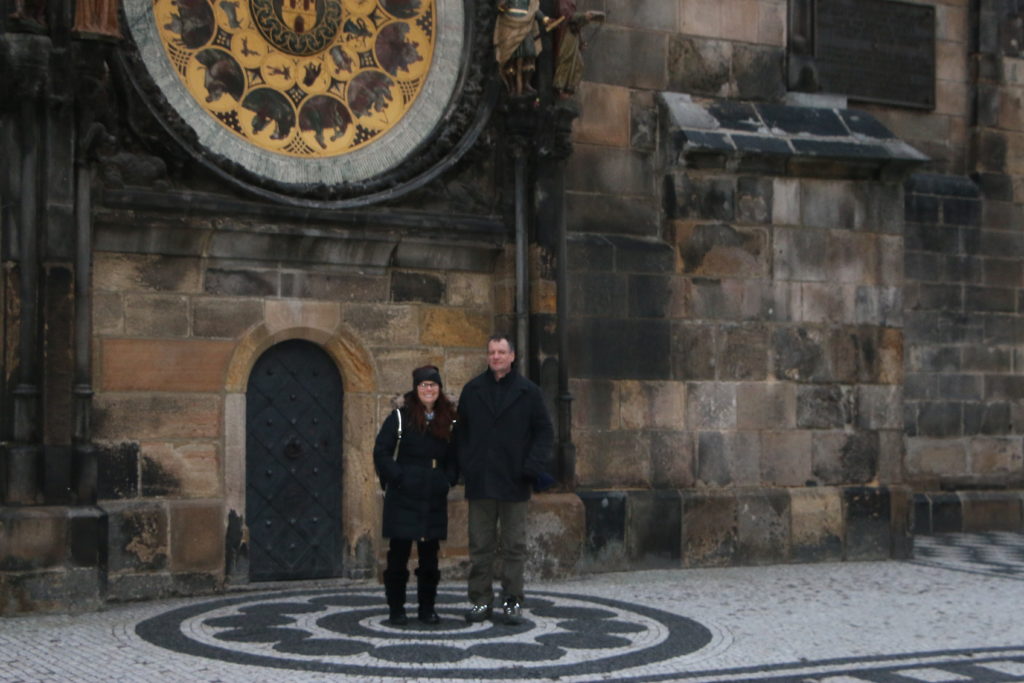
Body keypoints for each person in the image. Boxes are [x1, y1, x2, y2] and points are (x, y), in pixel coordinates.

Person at [456, 334, 555, 624]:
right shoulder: (472, 390)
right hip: (482, 480)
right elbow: (461, 434)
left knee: (514, 546)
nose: (496, 357)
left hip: (515, 480)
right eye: (491, 352)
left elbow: (544, 433)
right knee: (480, 546)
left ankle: (512, 601)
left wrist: (531, 466)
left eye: (501, 352)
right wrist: (467, 465)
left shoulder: (529, 392)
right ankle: (480, 601)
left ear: (512, 356)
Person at [373, 365, 458, 625]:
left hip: (432, 493)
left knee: (429, 557)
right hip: (404, 494)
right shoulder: (400, 417)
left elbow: (457, 455)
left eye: (432, 385)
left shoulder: (450, 419)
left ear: (439, 388)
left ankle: (427, 608)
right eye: (423, 385)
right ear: (416, 388)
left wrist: (447, 480)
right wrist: (399, 477)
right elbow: (382, 452)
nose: (428, 389)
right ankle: (396, 608)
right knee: (398, 556)